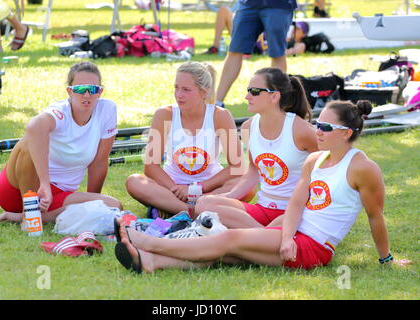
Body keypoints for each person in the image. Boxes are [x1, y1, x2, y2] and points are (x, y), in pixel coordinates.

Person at [115, 99, 411, 273]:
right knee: (232, 254)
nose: (316, 131)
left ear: (346, 133)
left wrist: (386, 258)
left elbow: (375, 216)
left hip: (314, 246)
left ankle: (150, 243)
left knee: (228, 240)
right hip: (291, 233)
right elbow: (297, 204)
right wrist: (283, 234)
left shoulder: (363, 167)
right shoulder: (316, 160)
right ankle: (153, 261)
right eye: (317, 124)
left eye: (324, 127)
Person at [0, 61, 121, 224]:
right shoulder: (60, 111)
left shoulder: (107, 109)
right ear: (69, 91)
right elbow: (33, 126)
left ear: (100, 91)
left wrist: (94, 204)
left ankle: (25, 218)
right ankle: (30, 214)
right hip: (22, 189)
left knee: (115, 206)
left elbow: (99, 163)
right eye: (80, 89)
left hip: (59, 195)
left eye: (93, 89)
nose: (87, 95)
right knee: (28, 142)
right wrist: (44, 185)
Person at [194, 67, 318, 229]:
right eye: (248, 91)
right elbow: (253, 172)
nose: (247, 96)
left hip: (294, 213)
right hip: (263, 209)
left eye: (254, 91)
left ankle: (263, 236)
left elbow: (328, 172)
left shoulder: (301, 129)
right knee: (204, 203)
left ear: (274, 96)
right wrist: (229, 197)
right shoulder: (248, 127)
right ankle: (263, 234)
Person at [126, 61, 247, 218]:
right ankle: (193, 212)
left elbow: (237, 165)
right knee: (134, 181)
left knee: (245, 185)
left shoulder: (220, 115)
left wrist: (197, 189)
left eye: (186, 90)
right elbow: (151, 166)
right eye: (176, 88)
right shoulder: (164, 114)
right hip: (171, 188)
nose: (179, 94)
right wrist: (176, 188)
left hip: (208, 188)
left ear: (204, 92)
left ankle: (172, 208)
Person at [214, 0, 298, 108]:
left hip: (279, 5)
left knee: (277, 54)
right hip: (248, 4)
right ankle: (217, 103)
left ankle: (278, 105)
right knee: (234, 51)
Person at [204, 6, 309, 57]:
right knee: (223, 10)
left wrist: (281, 44)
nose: (294, 29)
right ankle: (215, 47)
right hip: (252, 35)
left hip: (254, 46)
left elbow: (284, 53)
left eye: (298, 29)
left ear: (304, 34)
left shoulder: (300, 44)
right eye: (294, 27)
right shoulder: (283, 30)